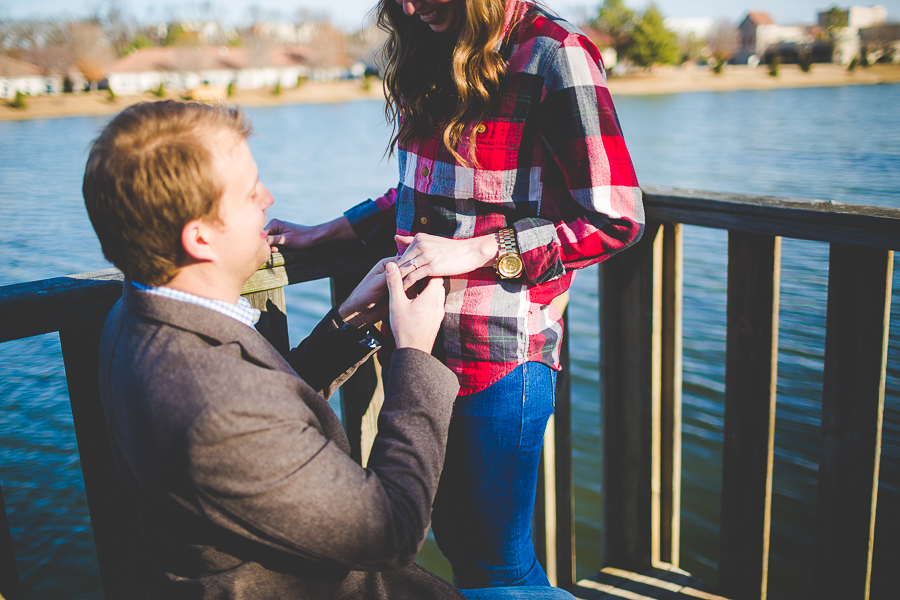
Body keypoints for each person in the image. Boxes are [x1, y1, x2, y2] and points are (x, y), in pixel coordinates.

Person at [82, 100, 574, 600]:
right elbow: (392, 532)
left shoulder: (136, 315)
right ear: (201, 236)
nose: (269, 197)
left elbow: (263, 411)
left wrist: (347, 322)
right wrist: (415, 357)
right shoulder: (213, 407)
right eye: (251, 194)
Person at [264, 0, 645, 590]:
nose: (411, 7)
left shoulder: (555, 54)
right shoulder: (434, 46)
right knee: (458, 543)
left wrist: (482, 250)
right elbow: (423, 191)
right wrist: (328, 231)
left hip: (500, 359)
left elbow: (615, 218)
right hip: (418, 352)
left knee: (497, 567)